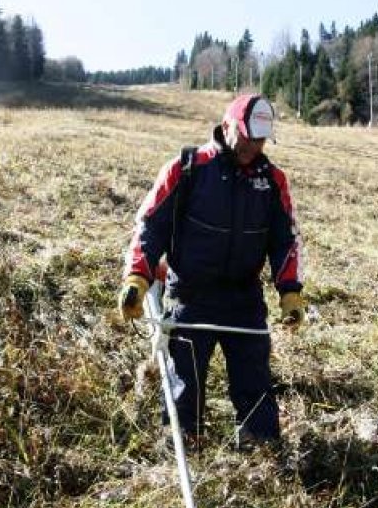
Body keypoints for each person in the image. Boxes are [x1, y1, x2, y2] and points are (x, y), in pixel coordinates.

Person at [118, 93, 306, 450]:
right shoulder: (188, 168)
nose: (254, 146)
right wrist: (137, 278)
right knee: (184, 384)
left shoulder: (273, 181)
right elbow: (150, 225)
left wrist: (290, 290)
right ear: (226, 127)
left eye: (261, 139)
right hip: (192, 296)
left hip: (244, 299)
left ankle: (259, 450)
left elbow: (286, 241)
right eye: (248, 136)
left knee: (255, 381)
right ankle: (184, 444)